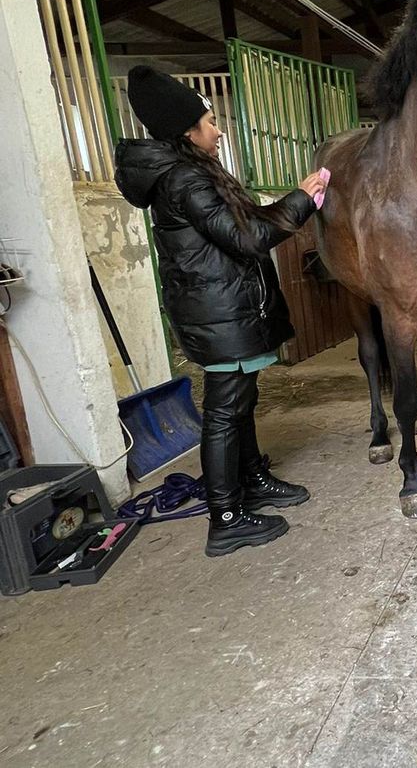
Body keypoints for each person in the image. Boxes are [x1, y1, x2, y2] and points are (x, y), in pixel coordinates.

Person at [114, 66, 327, 557]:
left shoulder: (190, 174)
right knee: (224, 412)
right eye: (211, 122)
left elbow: (238, 222)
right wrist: (303, 200)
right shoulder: (186, 178)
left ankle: (251, 480)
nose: (218, 129)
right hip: (219, 312)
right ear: (188, 131)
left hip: (223, 308)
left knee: (239, 404)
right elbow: (248, 238)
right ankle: (225, 517)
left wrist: (288, 200)